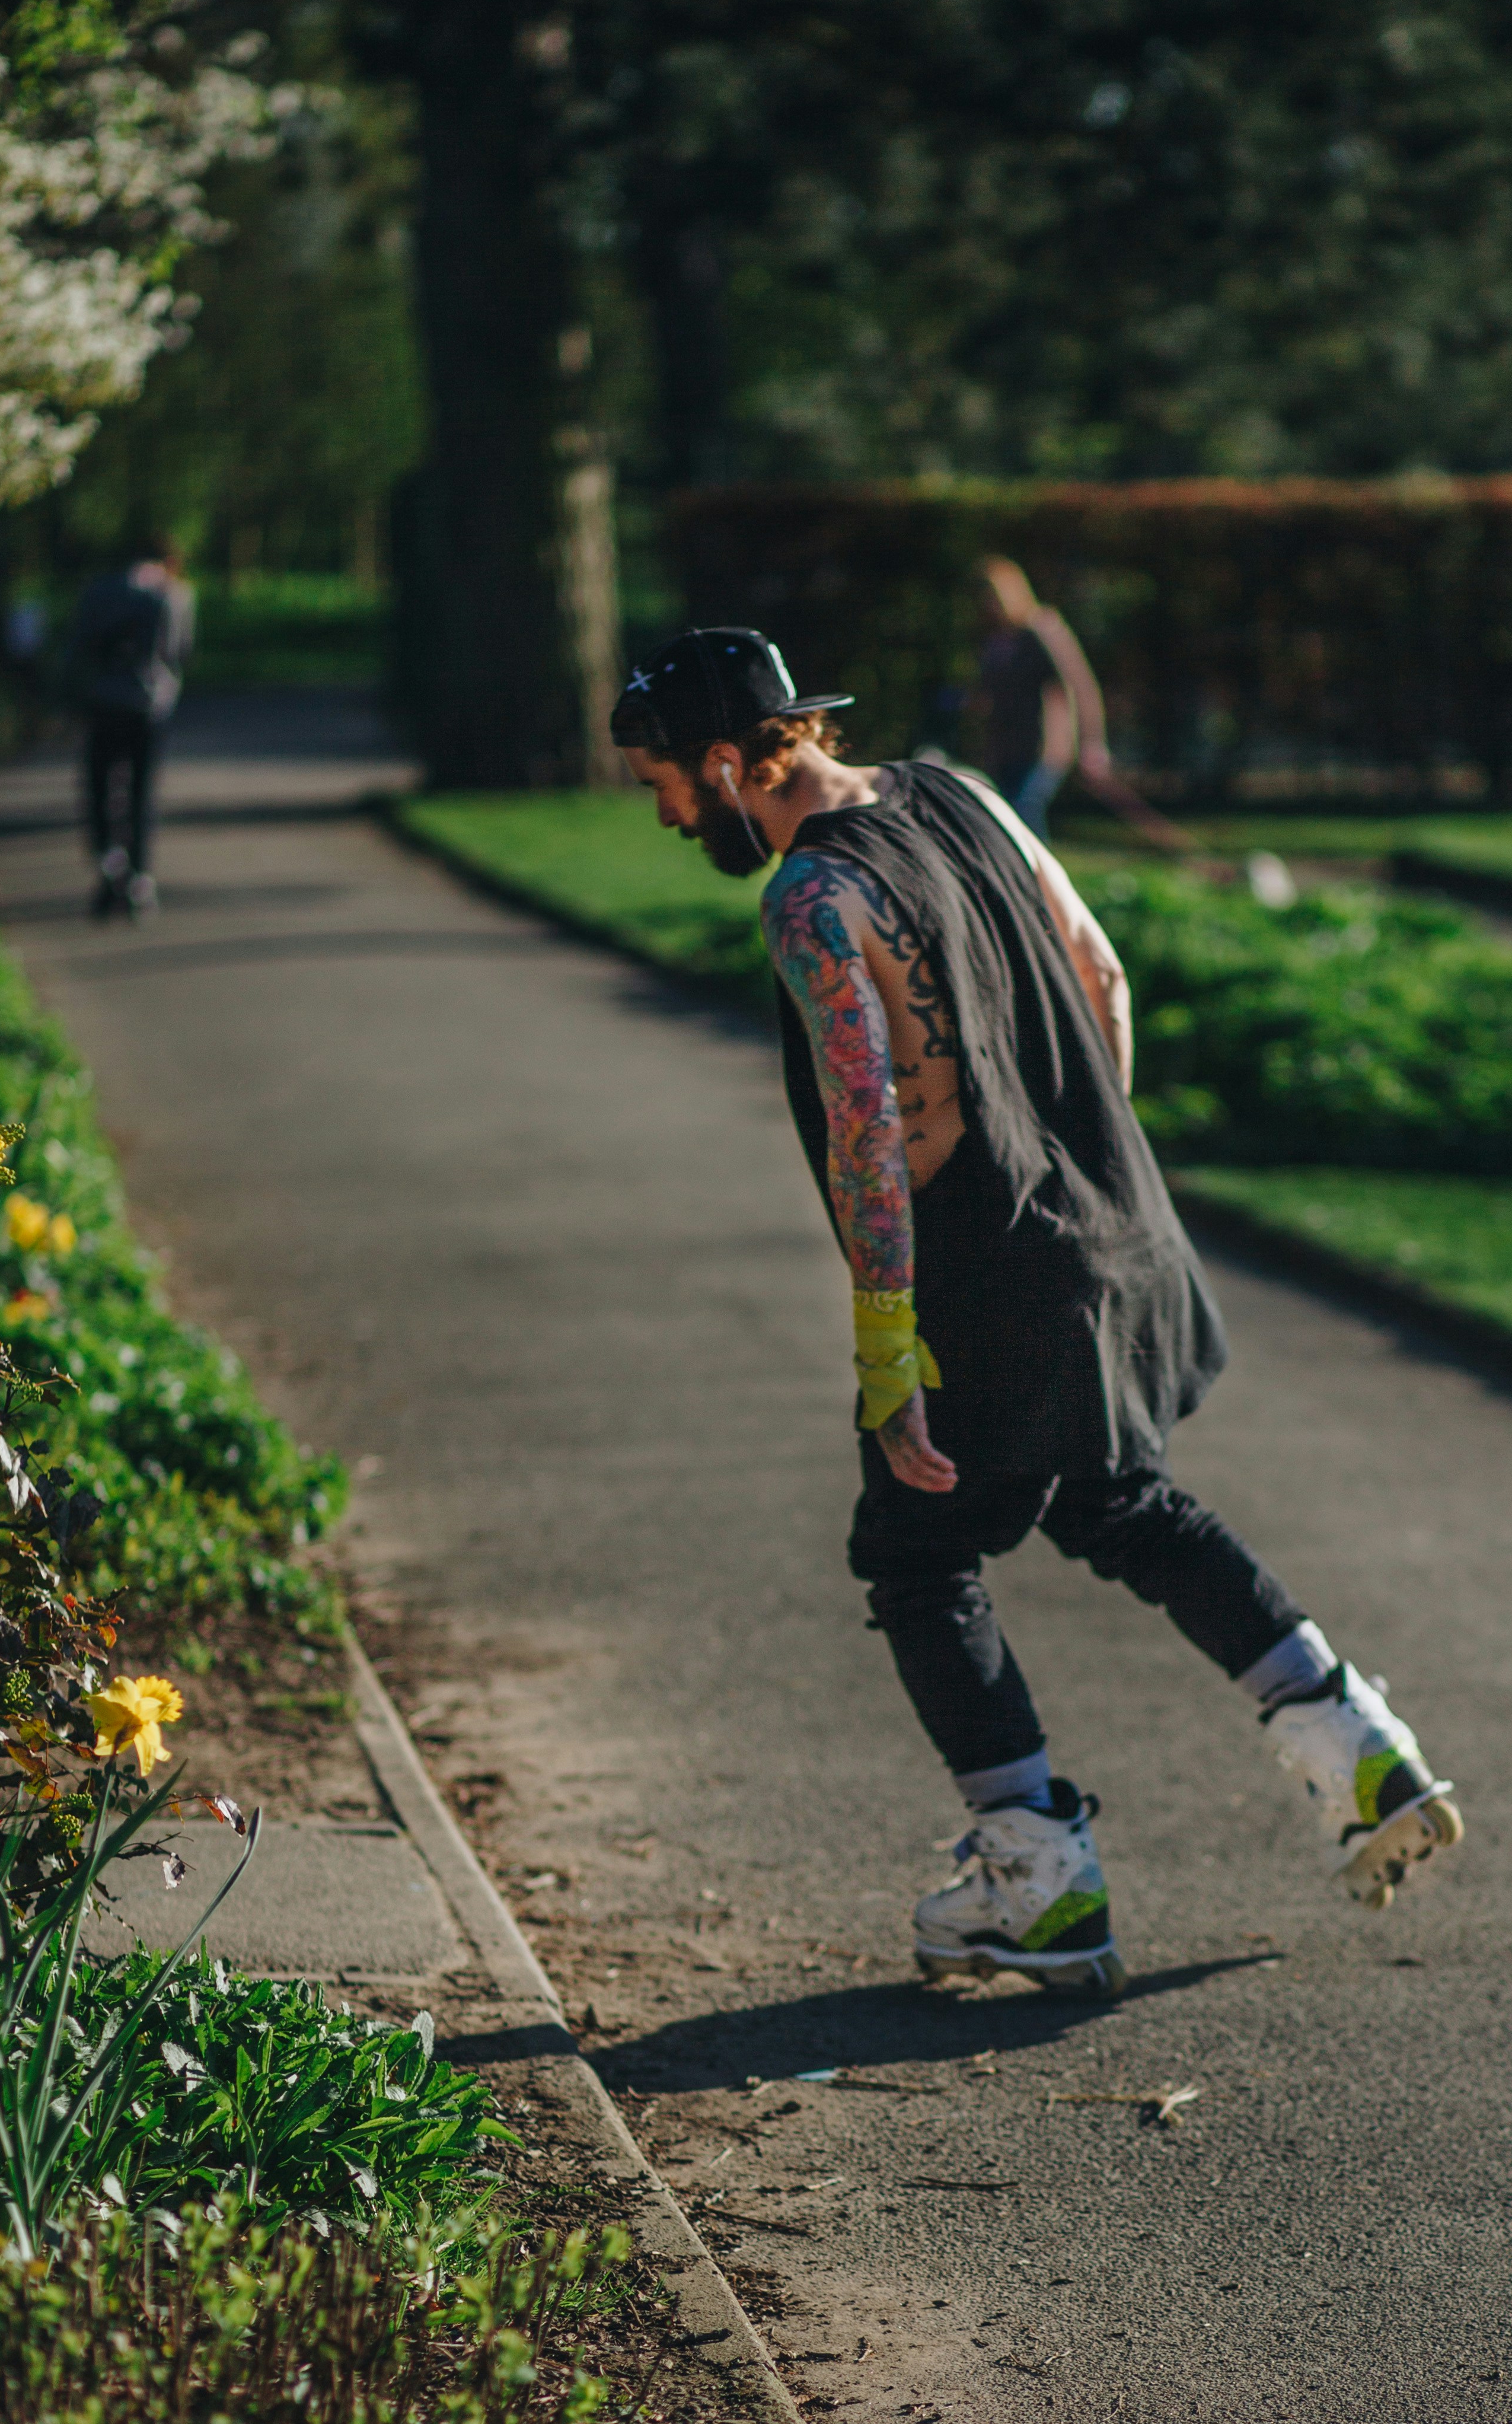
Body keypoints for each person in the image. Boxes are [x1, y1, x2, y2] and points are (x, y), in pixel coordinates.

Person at [612, 626, 1463, 1996]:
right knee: (1115, 1499)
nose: (661, 812)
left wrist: (891, 1353)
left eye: (660, 779)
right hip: (1110, 1225)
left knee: (913, 1551)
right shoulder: (957, 788)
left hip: (981, 1279)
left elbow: (869, 1137)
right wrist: (1085, 1166)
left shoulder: (811, 900)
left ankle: (1036, 1873)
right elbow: (1101, 971)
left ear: (725, 762)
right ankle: (1349, 1738)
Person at [67, 535, 195, 918]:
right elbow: (179, 650)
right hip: (148, 705)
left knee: (100, 788)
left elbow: (78, 647)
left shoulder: (97, 590)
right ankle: (140, 877)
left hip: (102, 702)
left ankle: (110, 864)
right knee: (140, 793)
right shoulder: (173, 594)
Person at [969, 554, 1118, 842]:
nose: (989, 605)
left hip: (1043, 747)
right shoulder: (996, 639)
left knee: (1023, 814)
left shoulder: (1041, 629)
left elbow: (1079, 686)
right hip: (1005, 748)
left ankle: (1037, 882)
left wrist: (1092, 742)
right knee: (1007, 818)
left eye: (993, 597)